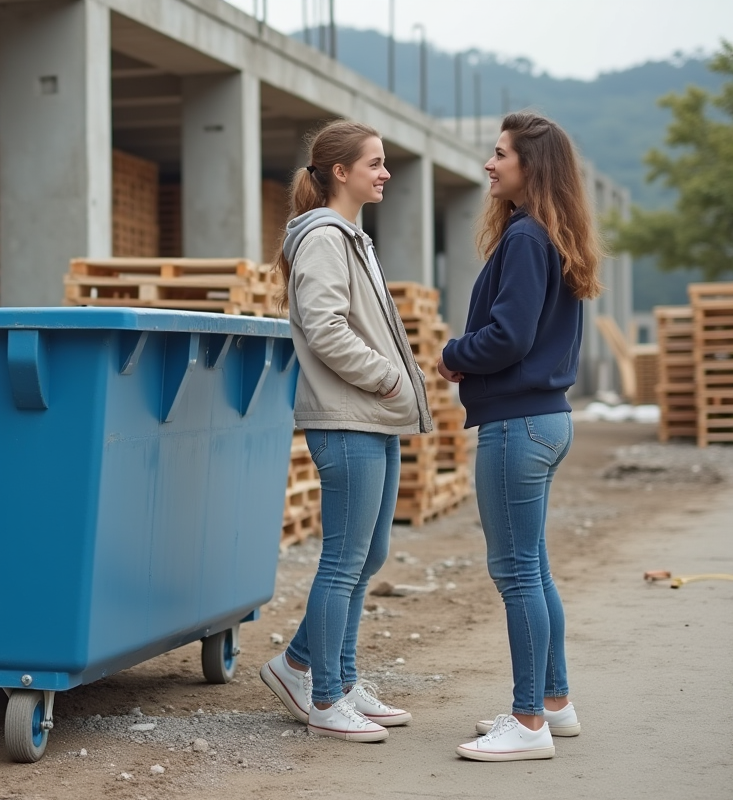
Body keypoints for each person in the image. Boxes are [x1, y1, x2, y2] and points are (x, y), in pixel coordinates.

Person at [259, 120, 433, 742]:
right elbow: (324, 325)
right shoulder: (325, 238)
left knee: (371, 554)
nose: (385, 173)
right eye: (376, 163)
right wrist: (387, 378)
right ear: (341, 171)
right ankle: (325, 699)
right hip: (347, 415)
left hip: (370, 416)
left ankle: (316, 668)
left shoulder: (352, 237)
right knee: (343, 561)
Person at [438, 112, 604, 762]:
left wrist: (455, 353)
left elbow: (508, 337)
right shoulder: (547, 236)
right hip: (546, 419)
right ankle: (554, 703)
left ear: (530, 165)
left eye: (500, 154)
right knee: (533, 568)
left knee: (515, 574)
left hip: (517, 424)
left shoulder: (528, 239)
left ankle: (528, 721)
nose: (489, 163)